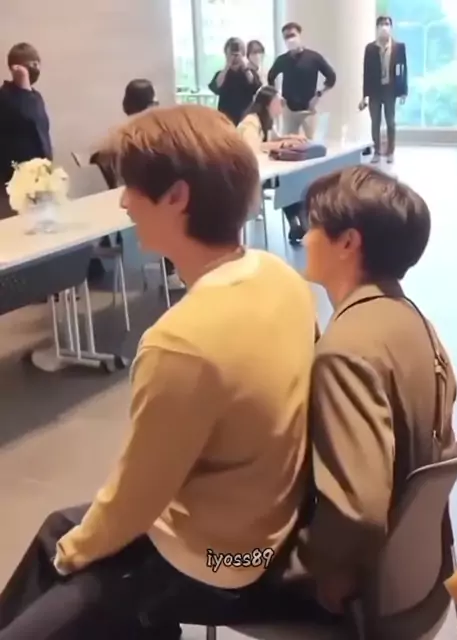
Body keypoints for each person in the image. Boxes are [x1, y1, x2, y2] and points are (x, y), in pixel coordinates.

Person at [0, 104, 317, 639]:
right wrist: (72, 547)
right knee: (60, 530)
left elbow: (136, 499)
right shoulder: (278, 276)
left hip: (223, 562)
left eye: (133, 189)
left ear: (177, 197)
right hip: (269, 528)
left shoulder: (180, 342)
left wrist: (71, 558)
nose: (124, 201)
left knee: (72, 563)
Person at [292, 165, 456, 612]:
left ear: (348, 242)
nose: (304, 237)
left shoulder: (346, 351)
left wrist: (299, 563)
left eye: (313, 226)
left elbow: (357, 514)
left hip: (353, 585)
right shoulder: (414, 320)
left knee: (209, 564)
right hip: (418, 571)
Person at [92, 79, 184, 291]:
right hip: (146, 203)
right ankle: (172, 272)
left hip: (127, 202)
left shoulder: (118, 134)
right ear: (151, 104)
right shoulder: (152, 136)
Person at [238, 85, 307, 244]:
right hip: (247, 174)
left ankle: (298, 224)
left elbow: (274, 139)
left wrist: (291, 138)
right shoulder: (251, 121)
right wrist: (281, 145)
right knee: (288, 180)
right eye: (278, 101)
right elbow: (254, 147)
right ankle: (300, 223)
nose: (281, 105)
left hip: (262, 170)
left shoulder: (266, 120)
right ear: (268, 103)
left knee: (291, 178)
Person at [0, 43, 52, 220]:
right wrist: (23, 87)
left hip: (41, 178)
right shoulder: (5, 97)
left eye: (38, 63)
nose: (36, 68)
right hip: (15, 183)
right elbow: (26, 117)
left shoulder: (35, 96)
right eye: (31, 64)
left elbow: (42, 132)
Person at [268, 23, 336, 141]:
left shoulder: (313, 57)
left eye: (292, 35)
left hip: (308, 109)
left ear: (299, 35)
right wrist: (277, 96)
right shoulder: (282, 60)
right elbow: (271, 77)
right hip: (289, 109)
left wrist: (319, 94)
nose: (290, 39)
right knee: (288, 143)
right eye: (286, 37)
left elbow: (331, 77)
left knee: (311, 143)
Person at [359, 16, 408, 165]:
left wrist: (403, 91)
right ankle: (377, 151)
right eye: (381, 24)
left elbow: (403, 69)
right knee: (375, 122)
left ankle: (390, 151)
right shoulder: (370, 48)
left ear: (391, 27)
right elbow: (366, 72)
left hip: (390, 89)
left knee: (390, 122)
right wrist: (364, 96)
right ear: (377, 28)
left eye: (386, 24)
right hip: (374, 90)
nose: (384, 27)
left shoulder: (399, 47)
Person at [208, 37, 261, 125]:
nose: (235, 57)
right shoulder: (222, 74)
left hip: (246, 118)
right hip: (226, 118)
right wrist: (227, 65)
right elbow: (216, 87)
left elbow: (255, 86)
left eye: (238, 53)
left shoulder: (249, 73)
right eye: (231, 53)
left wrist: (244, 65)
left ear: (243, 54)